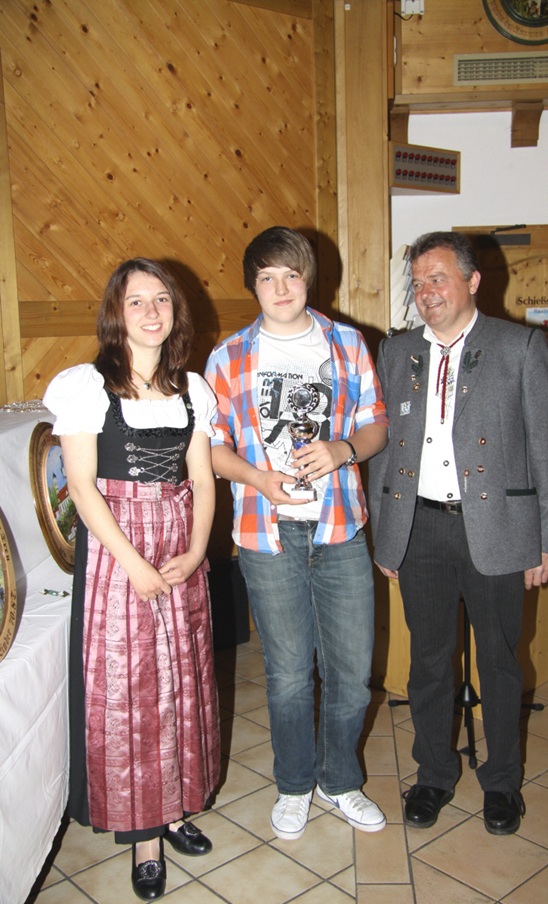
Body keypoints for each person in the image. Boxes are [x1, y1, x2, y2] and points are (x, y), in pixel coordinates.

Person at [369, 231, 548, 836]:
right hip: (420, 529)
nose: (426, 292)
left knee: (500, 663)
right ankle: (434, 774)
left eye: (438, 278)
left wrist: (547, 539)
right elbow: (382, 450)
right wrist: (387, 533)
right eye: (418, 282)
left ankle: (502, 782)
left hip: (499, 532)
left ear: (472, 280)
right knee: (429, 661)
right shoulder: (396, 351)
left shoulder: (521, 346)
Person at [43, 258, 220, 901]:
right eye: (136, 300)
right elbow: (83, 488)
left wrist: (195, 552)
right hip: (119, 555)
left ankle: (174, 807)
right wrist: (135, 565)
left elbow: (202, 478)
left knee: (184, 680)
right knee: (136, 691)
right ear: (116, 313)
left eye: (162, 299)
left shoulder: (192, 389)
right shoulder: (86, 386)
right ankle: (145, 835)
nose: (151, 311)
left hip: (179, 546)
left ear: (176, 311)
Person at [204, 226, 389, 840]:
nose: (280, 288)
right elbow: (212, 448)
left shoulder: (347, 343)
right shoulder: (228, 357)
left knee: (351, 673)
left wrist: (341, 450)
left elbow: (376, 426)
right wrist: (259, 478)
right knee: (287, 675)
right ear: (252, 285)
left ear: (309, 278)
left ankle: (340, 781)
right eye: (267, 277)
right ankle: (294, 784)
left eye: (291, 274)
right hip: (268, 536)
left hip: (340, 531)